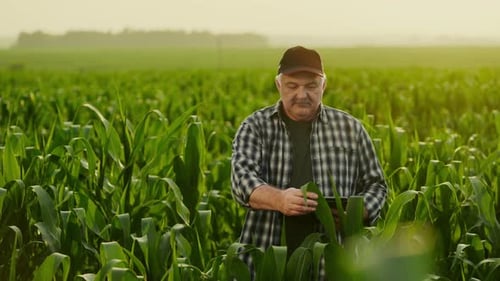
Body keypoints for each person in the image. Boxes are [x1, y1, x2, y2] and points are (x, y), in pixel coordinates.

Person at [231, 46, 387, 279]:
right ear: (278, 85)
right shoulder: (255, 127)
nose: (302, 94)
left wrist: (359, 212)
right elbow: (241, 181)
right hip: (268, 262)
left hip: (333, 263)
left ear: (323, 85)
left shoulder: (350, 128)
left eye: (311, 86)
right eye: (292, 86)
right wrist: (280, 199)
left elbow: (376, 184)